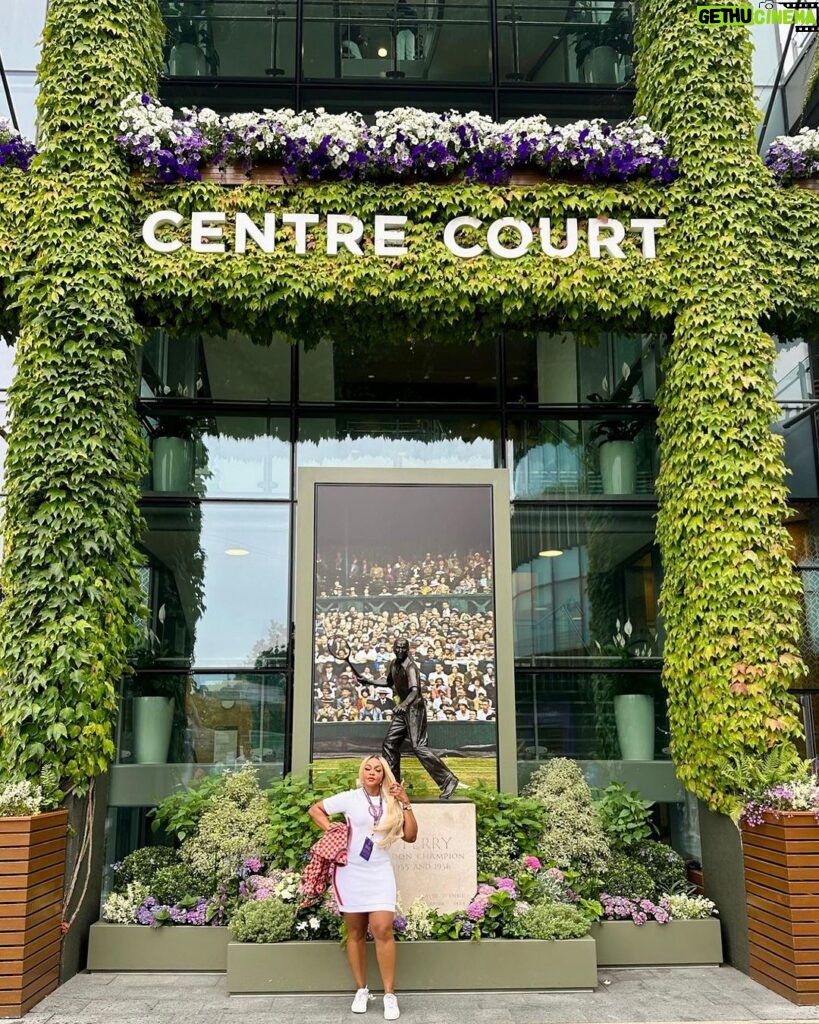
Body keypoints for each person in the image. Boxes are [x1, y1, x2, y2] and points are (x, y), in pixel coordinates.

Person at [308, 756, 416, 1021]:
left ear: (384, 775)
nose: (372, 773)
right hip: (350, 871)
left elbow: (411, 836)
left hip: (380, 872)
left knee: (383, 929)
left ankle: (390, 995)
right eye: (367, 768)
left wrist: (406, 802)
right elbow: (315, 809)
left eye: (378, 769)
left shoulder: (392, 801)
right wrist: (331, 828)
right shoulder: (350, 798)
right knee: (355, 931)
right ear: (362, 772)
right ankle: (361, 990)